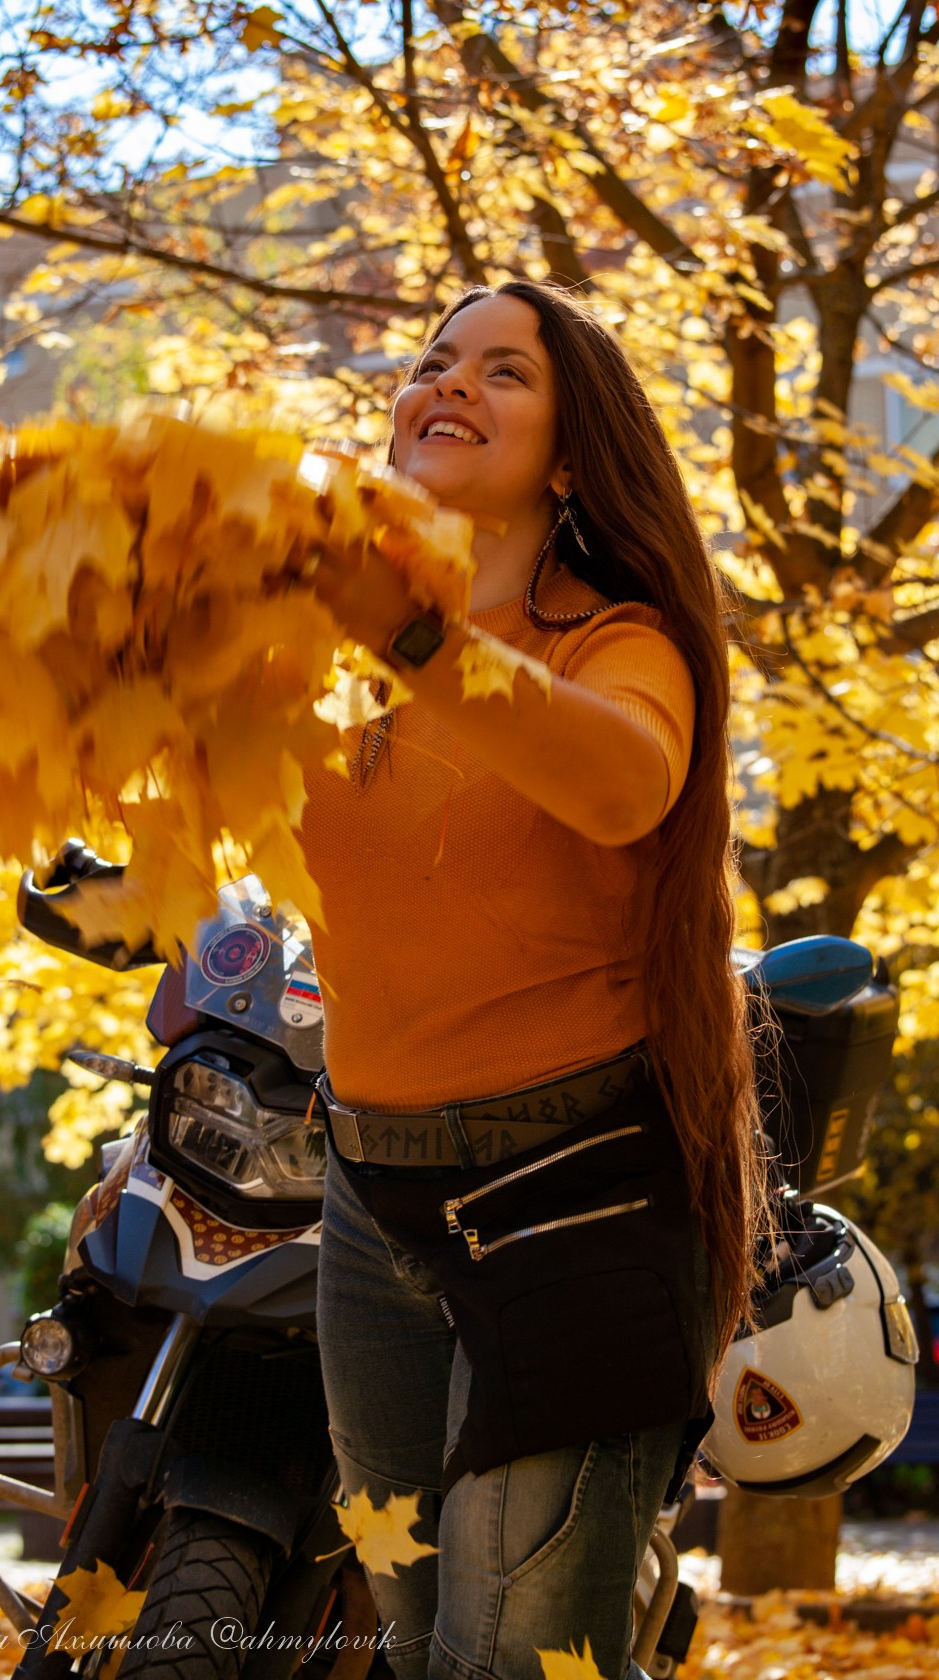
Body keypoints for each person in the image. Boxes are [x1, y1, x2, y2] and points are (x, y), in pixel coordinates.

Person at [298, 280, 766, 1680]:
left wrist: (415, 634)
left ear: (568, 457)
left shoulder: (617, 643)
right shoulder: (336, 661)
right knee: (418, 1637)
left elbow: (624, 785)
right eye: (436, 360)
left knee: (515, 1664)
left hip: (577, 1202)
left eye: (505, 372)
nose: (448, 383)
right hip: (368, 1202)